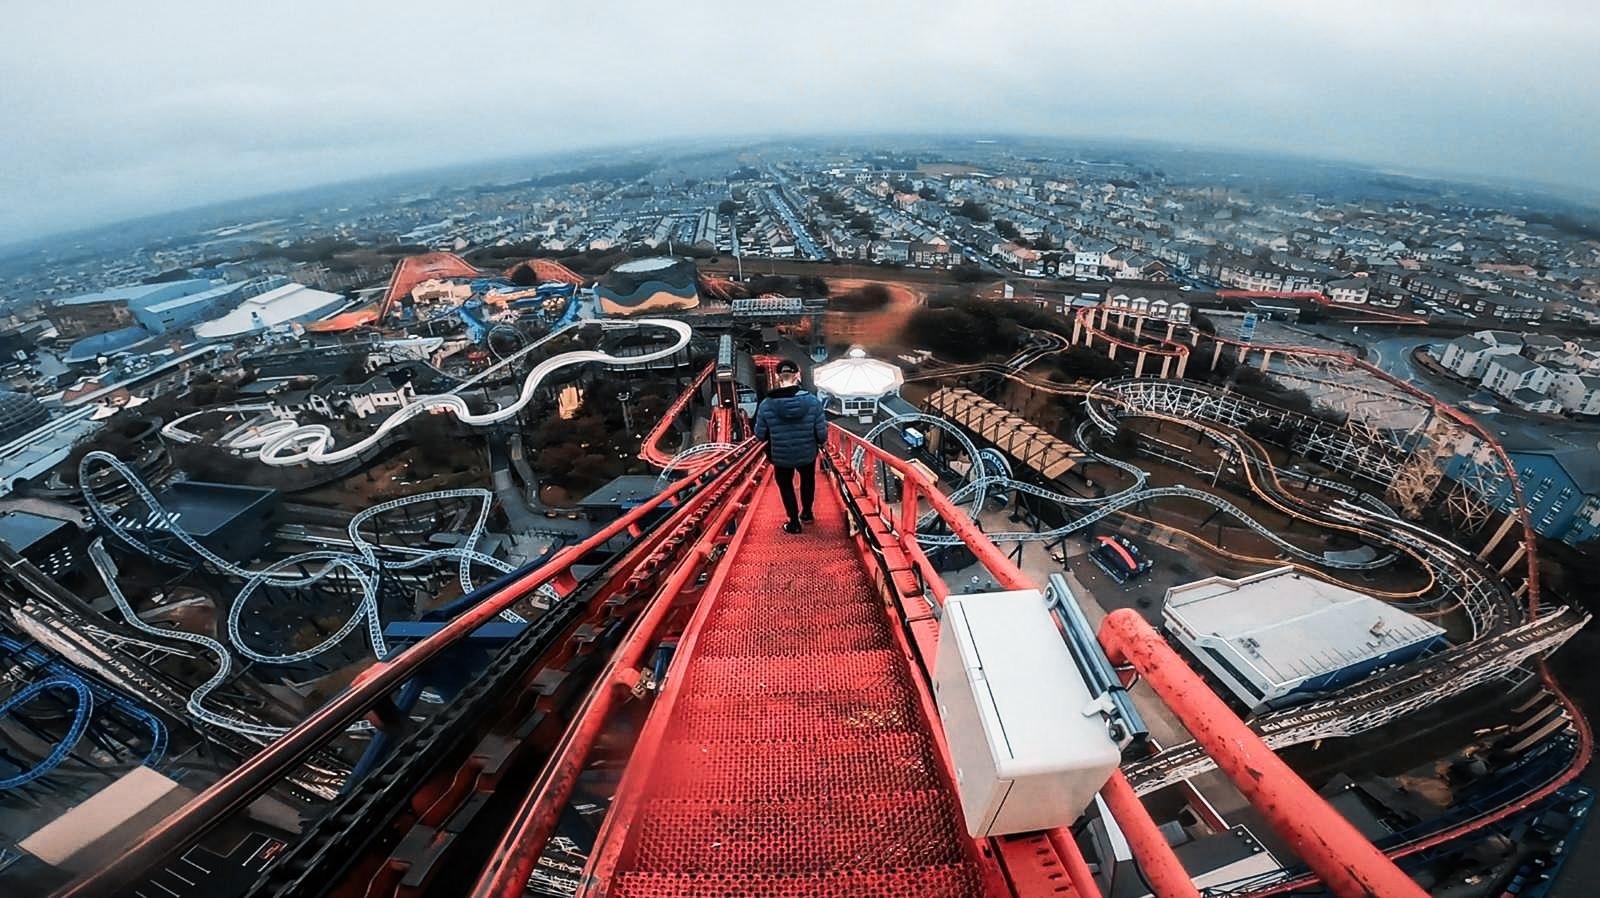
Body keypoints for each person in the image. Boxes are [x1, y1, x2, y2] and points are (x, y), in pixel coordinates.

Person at [753, 359, 828, 533]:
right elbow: (822, 433)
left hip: (780, 455)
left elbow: (760, 435)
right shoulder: (812, 402)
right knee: (808, 481)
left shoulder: (766, 404)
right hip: (807, 452)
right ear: (797, 376)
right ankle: (807, 513)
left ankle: (794, 523)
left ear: (778, 377)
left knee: (786, 485)